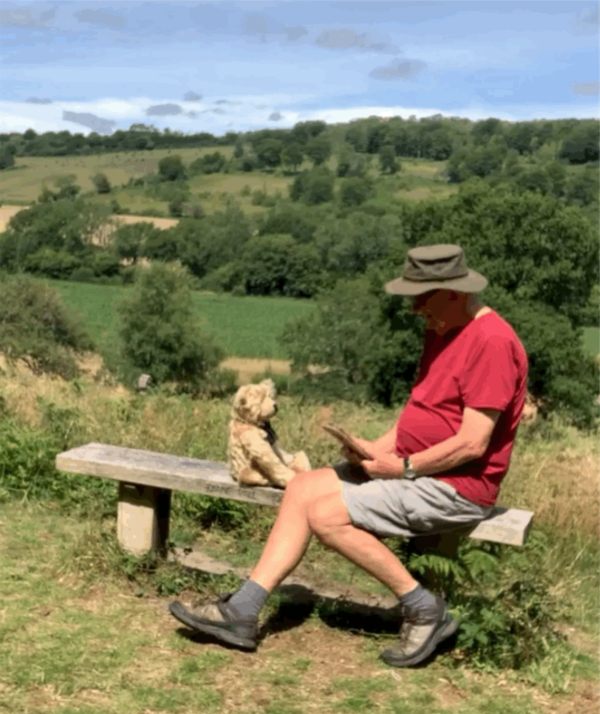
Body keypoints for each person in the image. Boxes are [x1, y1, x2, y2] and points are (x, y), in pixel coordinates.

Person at [169, 243, 528, 668]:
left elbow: (474, 442)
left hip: (455, 488)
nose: (413, 308)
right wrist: (376, 449)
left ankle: (424, 608)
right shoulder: (442, 328)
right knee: (303, 488)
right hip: (412, 471)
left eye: (421, 297)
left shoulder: (491, 342)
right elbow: (424, 410)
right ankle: (243, 611)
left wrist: (404, 467)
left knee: (326, 514)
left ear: (452, 292)